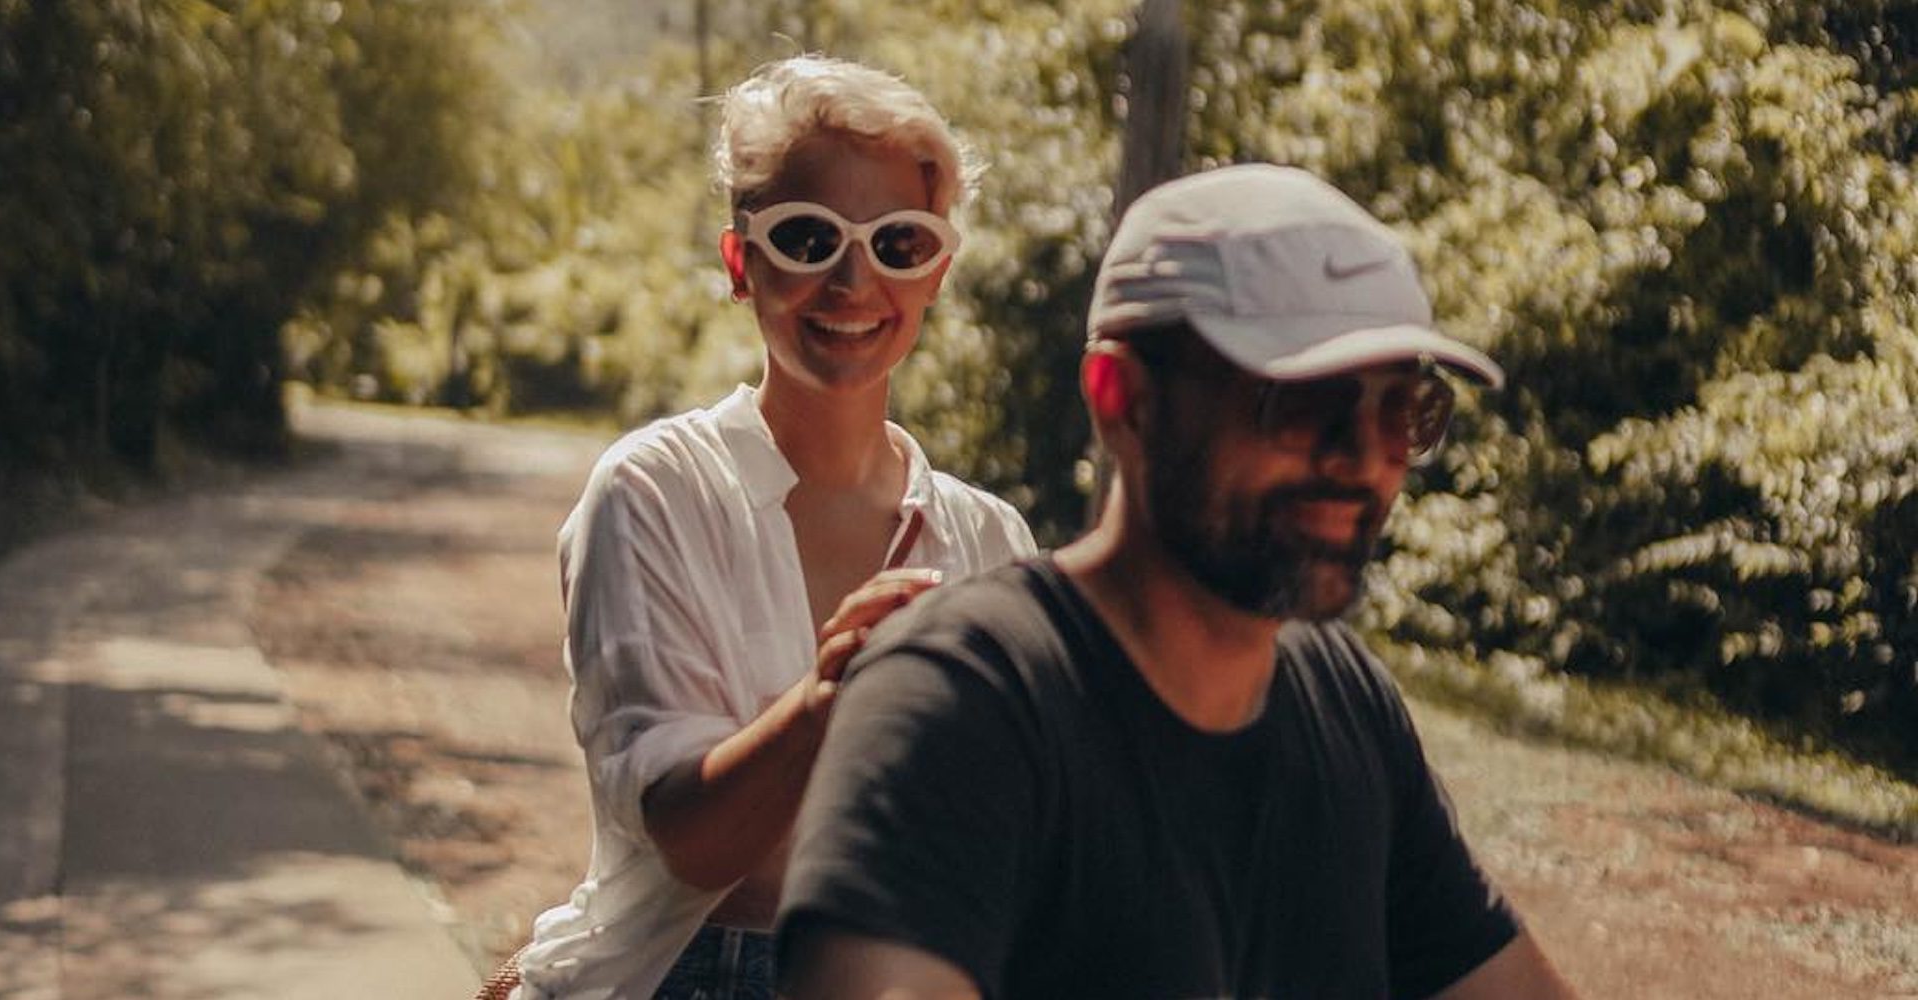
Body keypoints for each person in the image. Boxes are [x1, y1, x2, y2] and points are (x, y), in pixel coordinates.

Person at [776, 165, 1580, 998]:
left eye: (1401, 411)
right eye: (1300, 403)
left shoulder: (1346, 706)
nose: (1359, 458)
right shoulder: (961, 704)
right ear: (1122, 396)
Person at [512, 56, 1036, 1000]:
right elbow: (691, 841)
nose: (852, 278)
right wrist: (838, 693)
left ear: (938, 272)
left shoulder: (993, 542)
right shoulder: (651, 492)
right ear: (739, 264)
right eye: (807, 237)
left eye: (899, 244)